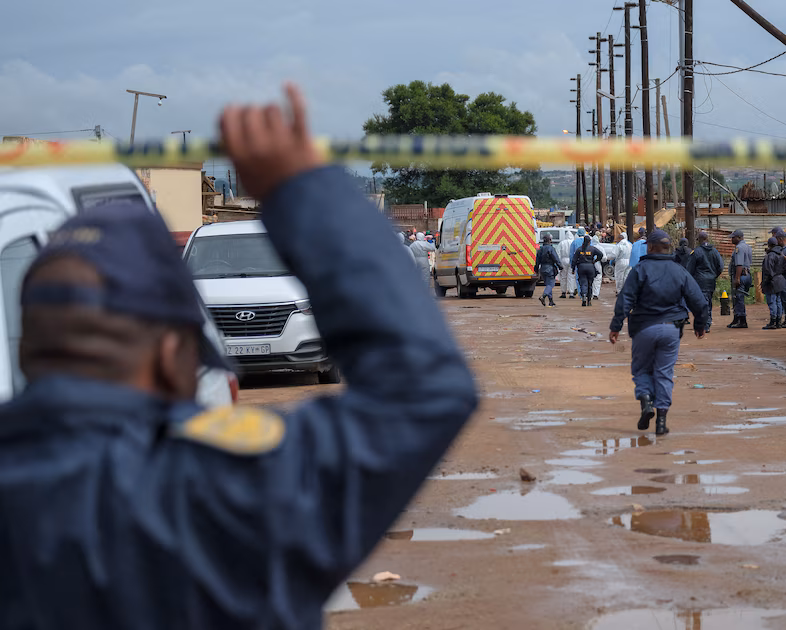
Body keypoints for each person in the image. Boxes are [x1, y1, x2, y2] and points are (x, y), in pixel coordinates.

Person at [0, 84, 477, 628]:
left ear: (29, 349)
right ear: (171, 352)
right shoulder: (230, 490)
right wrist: (305, 191)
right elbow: (423, 389)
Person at [609, 230, 709, 436]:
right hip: (672, 329)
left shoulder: (639, 270)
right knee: (664, 373)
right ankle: (661, 421)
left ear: (650, 247)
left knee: (642, 369)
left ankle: (646, 402)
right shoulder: (679, 271)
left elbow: (625, 299)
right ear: (667, 248)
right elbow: (699, 301)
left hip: (644, 327)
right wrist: (700, 325)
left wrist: (616, 326)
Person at [686, 231, 724, 333]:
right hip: (711, 281)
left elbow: (690, 268)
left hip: (700, 281)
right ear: (707, 239)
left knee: (703, 303)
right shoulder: (714, 251)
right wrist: (713, 275)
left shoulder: (696, 252)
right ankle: (707, 322)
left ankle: (705, 324)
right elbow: (720, 266)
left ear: (699, 240)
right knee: (708, 302)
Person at [760, 237, 786, 330]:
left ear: (769, 245)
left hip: (772, 281)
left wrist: (764, 282)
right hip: (780, 280)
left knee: (772, 301)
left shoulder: (770, 256)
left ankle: (773, 322)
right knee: (778, 301)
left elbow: (768, 270)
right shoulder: (781, 254)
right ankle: (778, 322)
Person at [728, 230, 753, 329]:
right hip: (747, 274)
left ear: (739, 237)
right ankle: (736, 318)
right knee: (738, 297)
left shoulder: (739, 248)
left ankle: (742, 320)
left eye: (733, 237)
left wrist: (737, 278)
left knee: (738, 298)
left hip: (741, 275)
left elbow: (739, 264)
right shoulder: (747, 246)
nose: (732, 239)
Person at [571, 235, 605, 307]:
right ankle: (589, 301)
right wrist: (595, 260)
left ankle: (583, 295)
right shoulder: (592, 249)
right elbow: (601, 254)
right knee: (590, 284)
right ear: (590, 242)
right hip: (590, 267)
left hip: (581, 267)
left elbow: (574, 260)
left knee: (583, 283)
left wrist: (573, 269)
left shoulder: (579, 249)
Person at [536, 232, 563, 307]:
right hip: (550, 269)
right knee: (550, 284)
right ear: (550, 240)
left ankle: (551, 301)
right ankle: (543, 296)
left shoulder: (540, 249)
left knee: (548, 285)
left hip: (542, 269)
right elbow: (555, 258)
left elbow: (537, 261)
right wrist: (560, 266)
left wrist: (536, 270)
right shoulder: (551, 249)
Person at [556, 231, 576, 299]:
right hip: (571, 260)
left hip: (563, 260)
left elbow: (558, 253)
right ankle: (571, 293)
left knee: (563, 277)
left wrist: (559, 263)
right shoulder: (573, 242)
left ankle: (563, 292)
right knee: (571, 277)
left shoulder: (562, 243)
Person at [568, 227, 586, 298]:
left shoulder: (574, 242)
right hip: (588, 262)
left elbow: (572, 255)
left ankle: (581, 293)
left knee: (579, 278)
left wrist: (572, 265)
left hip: (579, 263)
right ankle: (586, 293)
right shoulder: (587, 241)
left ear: (578, 234)